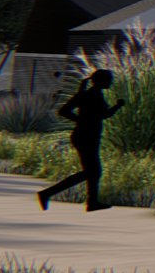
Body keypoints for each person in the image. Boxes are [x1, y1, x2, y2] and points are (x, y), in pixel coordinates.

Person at [37, 70, 121, 213]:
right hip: (85, 136)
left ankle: (92, 202)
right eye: (109, 79)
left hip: (87, 135)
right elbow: (65, 111)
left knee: (93, 172)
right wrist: (83, 121)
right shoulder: (90, 95)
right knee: (92, 171)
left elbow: (99, 114)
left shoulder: (92, 94)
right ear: (101, 80)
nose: (111, 82)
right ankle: (48, 193)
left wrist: (82, 120)